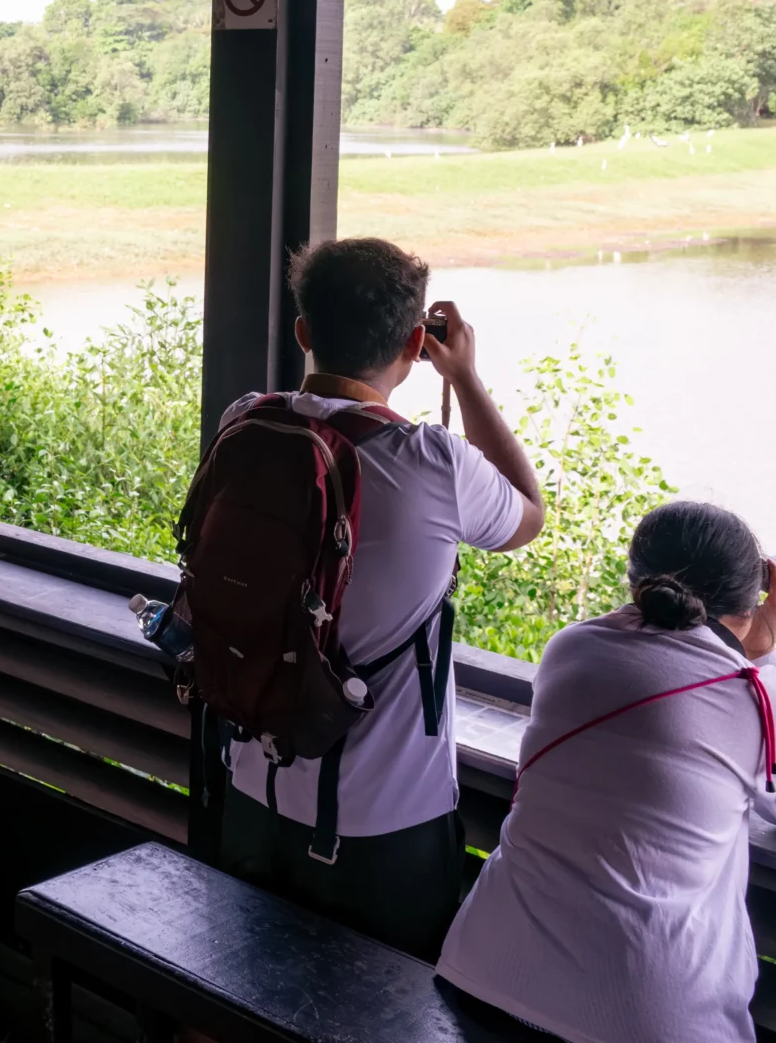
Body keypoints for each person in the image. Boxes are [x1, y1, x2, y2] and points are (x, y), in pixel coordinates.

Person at [216, 237, 545, 960]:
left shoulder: (242, 423)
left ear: (303, 332)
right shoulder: (431, 461)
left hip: (249, 790)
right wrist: (464, 378)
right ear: (414, 345)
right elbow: (528, 513)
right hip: (383, 826)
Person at [438, 502, 776, 1042]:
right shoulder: (757, 694)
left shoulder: (570, 647)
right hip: (645, 1015)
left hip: (484, 971)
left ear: (636, 581)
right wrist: (764, 656)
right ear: (754, 600)